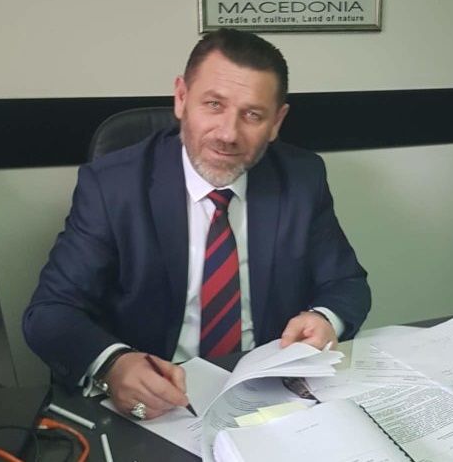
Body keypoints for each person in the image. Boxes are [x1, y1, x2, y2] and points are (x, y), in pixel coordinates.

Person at [23, 28, 370, 421]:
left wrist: (325, 319)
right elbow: (50, 312)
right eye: (214, 104)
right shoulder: (113, 186)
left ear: (277, 122)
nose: (228, 134)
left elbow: (347, 283)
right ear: (181, 98)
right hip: (159, 404)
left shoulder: (301, 178)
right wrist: (113, 365)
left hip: (269, 397)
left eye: (252, 115)